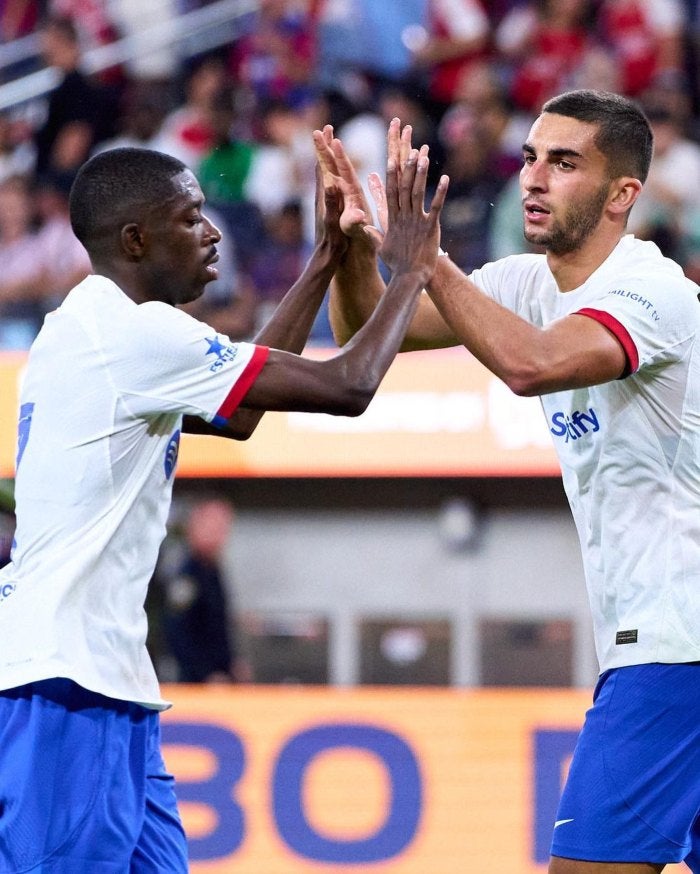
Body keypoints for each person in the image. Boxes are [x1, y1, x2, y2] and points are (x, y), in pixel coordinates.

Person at [0, 141, 448, 871]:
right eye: (191, 218)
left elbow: (239, 414)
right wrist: (416, 271)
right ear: (135, 240)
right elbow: (349, 386)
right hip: (65, 683)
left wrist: (328, 259)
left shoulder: (90, 327)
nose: (213, 234)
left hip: (104, 680)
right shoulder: (134, 335)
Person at [322, 90, 700, 872]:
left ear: (622, 195)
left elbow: (533, 365)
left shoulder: (651, 291)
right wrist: (351, 246)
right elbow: (365, 333)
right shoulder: (527, 285)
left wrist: (427, 261)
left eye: (565, 163)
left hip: (677, 648)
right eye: (530, 158)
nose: (534, 178)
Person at [154, 498, 250, 684]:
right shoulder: (186, 575)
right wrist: (206, 675)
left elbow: (217, 630)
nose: (218, 534)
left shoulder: (213, 572)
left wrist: (231, 664)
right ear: (194, 526)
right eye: (212, 526)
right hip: (193, 684)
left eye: (223, 528)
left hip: (218, 680)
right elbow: (177, 634)